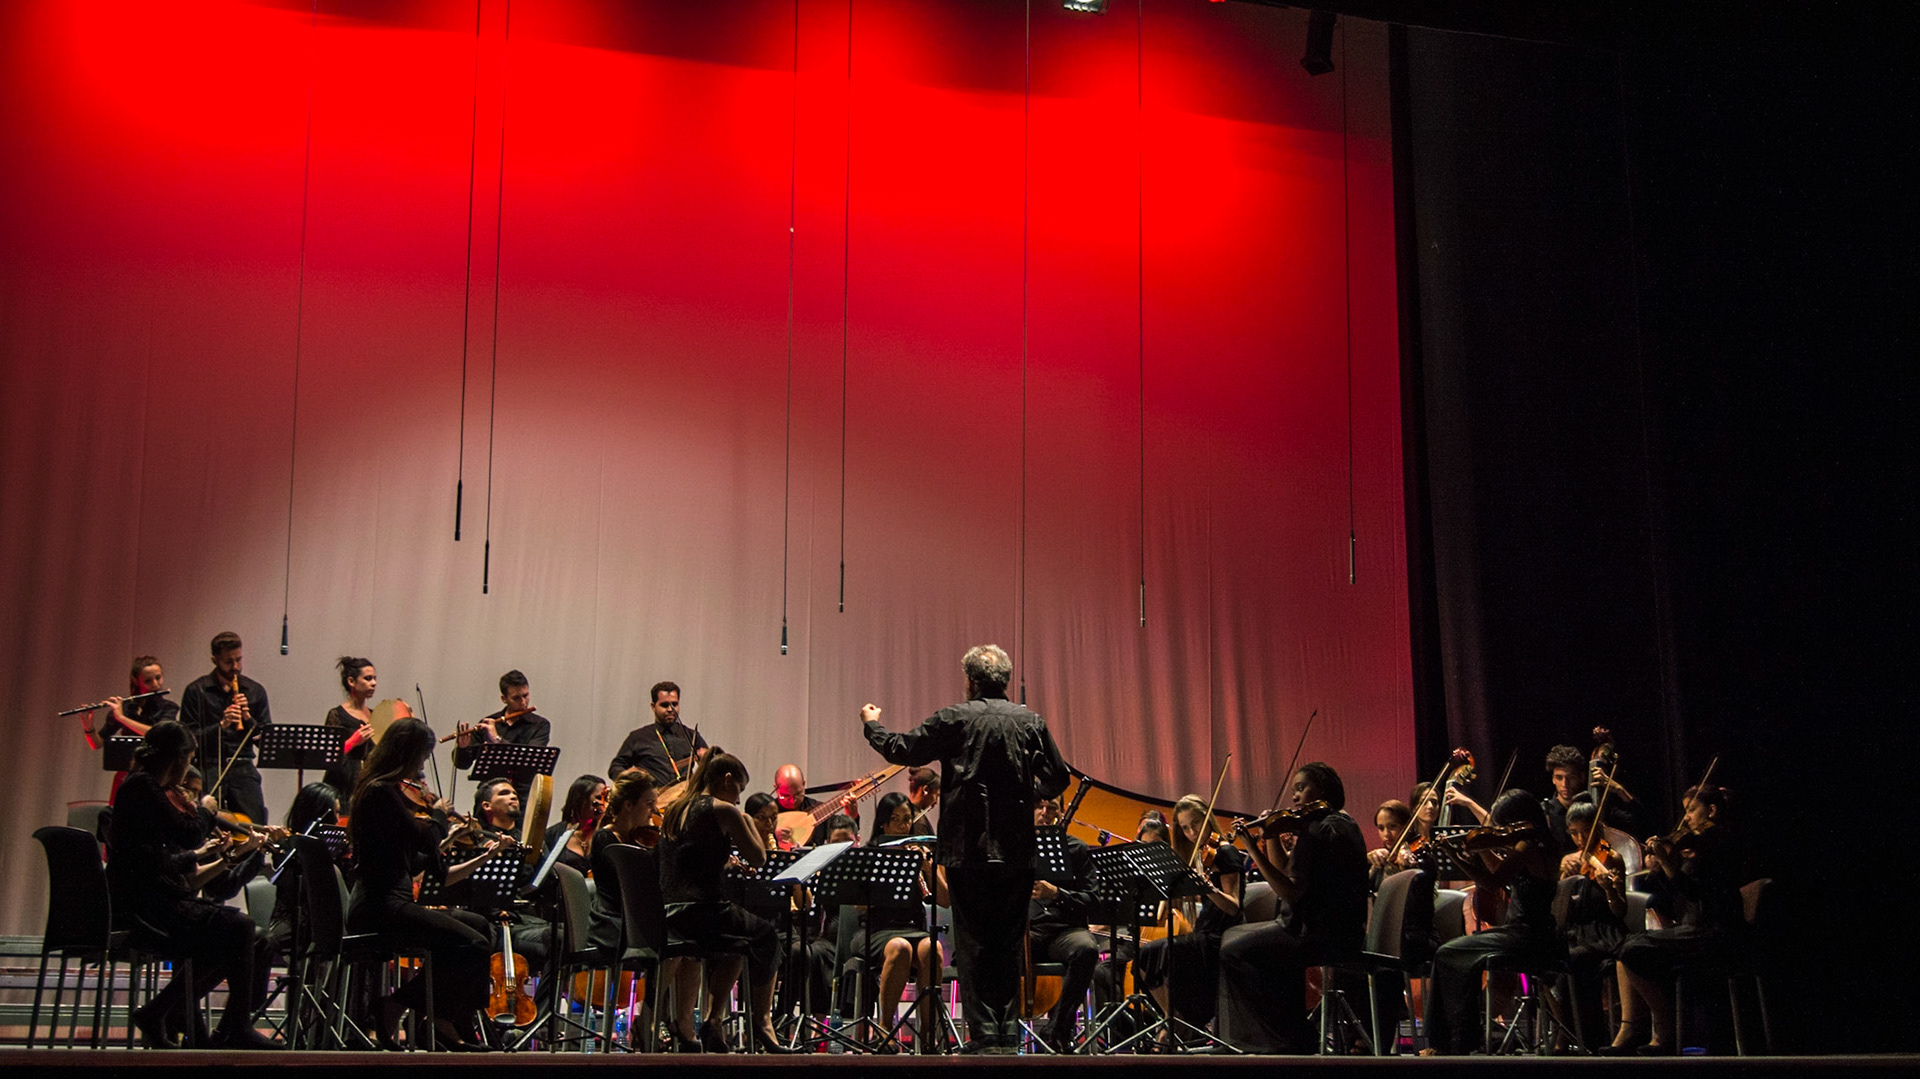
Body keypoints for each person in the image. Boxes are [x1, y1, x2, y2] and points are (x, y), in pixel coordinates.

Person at [860, 643, 1070, 1053]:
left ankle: (983, 1034)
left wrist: (872, 725)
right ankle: (1007, 1033)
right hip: (1015, 852)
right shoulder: (1030, 722)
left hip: (966, 850)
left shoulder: (954, 718)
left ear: (971, 681)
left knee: (973, 942)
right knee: (1008, 943)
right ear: (1005, 681)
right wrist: (1030, 796)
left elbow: (903, 750)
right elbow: (1058, 779)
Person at [107, 720, 278, 1049]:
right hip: (144, 904)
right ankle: (233, 1027)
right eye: (187, 760)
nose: (187, 772)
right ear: (177, 759)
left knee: (236, 938)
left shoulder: (141, 787)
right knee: (239, 926)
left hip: (152, 896)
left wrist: (208, 853)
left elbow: (159, 859)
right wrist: (206, 810)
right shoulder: (143, 787)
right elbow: (188, 832)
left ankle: (163, 1012)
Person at [347, 716, 505, 1050]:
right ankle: (406, 1007)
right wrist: (437, 815)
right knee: (472, 944)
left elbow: (422, 862)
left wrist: (450, 841)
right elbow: (421, 838)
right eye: (420, 757)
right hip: (381, 906)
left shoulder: (386, 793)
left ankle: (446, 1017)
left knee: (478, 926)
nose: (421, 767)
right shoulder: (379, 793)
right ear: (405, 753)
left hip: (394, 901)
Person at [1218, 762, 1370, 1054]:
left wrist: (1251, 847)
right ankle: (1292, 1036)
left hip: (1317, 935)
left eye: (1301, 788)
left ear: (1323, 789)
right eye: (1294, 791)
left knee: (1233, 951)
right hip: (1338, 931)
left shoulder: (1319, 832)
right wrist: (1271, 835)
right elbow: (1286, 869)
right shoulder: (1341, 824)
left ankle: (1271, 1038)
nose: (1296, 796)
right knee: (1242, 940)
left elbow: (1288, 891)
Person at [657, 749, 787, 1053]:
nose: (740, 799)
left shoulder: (676, 808)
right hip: (700, 912)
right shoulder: (724, 810)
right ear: (727, 780)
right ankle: (763, 1023)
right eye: (739, 790)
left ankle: (714, 1021)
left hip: (669, 913)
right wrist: (746, 821)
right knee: (766, 937)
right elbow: (758, 858)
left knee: (735, 944)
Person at [1419, 790, 1561, 1056]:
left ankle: (1451, 1042)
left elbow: (1494, 881)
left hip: (1530, 936)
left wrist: (1475, 850)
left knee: (1449, 953)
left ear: (1520, 819)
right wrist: (1460, 851)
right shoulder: (1536, 843)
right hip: (1525, 933)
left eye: (1503, 825)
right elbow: (1498, 870)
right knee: (1459, 954)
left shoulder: (1530, 845)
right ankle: (1457, 1040)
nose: (1501, 831)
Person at [1616, 784, 1749, 1055]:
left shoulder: (1720, 842)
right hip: (1695, 928)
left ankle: (1666, 1029)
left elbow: (1695, 893)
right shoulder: (1696, 846)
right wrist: (1660, 868)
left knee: (1633, 949)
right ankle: (1647, 1028)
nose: (1685, 818)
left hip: (1715, 930)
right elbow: (1675, 896)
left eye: (1692, 810)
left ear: (1711, 811)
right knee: (1629, 948)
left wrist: (1668, 864)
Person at [1134, 793, 1245, 1038]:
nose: (1192, 832)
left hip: (1221, 935)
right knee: (1143, 956)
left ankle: (1178, 1023)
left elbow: (1233, 906)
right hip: (1205, 932)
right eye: (1184, 828)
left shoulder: (1225, 853)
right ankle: (1173, 1018)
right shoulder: (1201, 856)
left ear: (1207, 818)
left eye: (1195, 823)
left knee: (1155, 953)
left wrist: (1209, 888)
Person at [852, 791, 943, 1047]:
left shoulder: (920, 853)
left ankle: (927, 1035)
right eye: (896, 820)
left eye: (907, 819)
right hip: (877, 930)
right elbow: (858, 905)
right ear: (883, 823)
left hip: (913, 927)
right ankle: (885, 1028)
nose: (904, 826)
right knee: (900, 947)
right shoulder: (872, 853)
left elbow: (945, 900)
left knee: (932, 948)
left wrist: (926, 868)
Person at [1026, 794, 1101, 1051]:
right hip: (1030, 930)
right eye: (1039, 805)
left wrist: (1057, 894)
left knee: (1087, 949)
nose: (1045, 812)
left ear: (1062, 811)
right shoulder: (1016, 848)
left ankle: (1058, 1030)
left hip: (1066, 930)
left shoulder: (1077, 849)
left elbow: (1093, 899)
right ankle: (1002, 1033)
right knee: (997, 947)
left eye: (1052, 807)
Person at [178, 631, 272, 825]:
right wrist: (221, 725)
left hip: (243, 767)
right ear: (215, 660)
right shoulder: (197, 690)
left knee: (253, 825)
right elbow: (188, 739)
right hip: (209, 767)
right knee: (208, 824)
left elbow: (265, 741)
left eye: (238, 660)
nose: (235, 667)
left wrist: (247, 718)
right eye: (228, 662)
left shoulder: (255, 691)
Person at [455, 670, 552, 803]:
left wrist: (497, 740)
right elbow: (462, 764)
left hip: (522, 796)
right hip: (489, 795)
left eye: (526, 695)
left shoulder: (540, 725)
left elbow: (529, 760)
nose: (523, 702)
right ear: (504, 699)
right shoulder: (488, 723)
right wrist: (463, 748)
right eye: (516, 698)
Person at [608, 681, 707, 788]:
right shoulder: (638, 737)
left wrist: (706, 760)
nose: (670, 709)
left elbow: (716, 767)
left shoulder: (692, 736)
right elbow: (616, 767)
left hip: (684, 800)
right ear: (653, 706)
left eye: (674, 704)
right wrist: (631, 779)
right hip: (651, 800)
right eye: (664, 705)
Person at [322, 657, 379, 795]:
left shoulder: (375, 715)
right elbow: (328, 756)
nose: (374, 683)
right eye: (368, 678)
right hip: (342, 783)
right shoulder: (337, 714)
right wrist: (354, 740)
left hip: (367, 784)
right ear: (351, 681)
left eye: (374, 678)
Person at [546, 774, 609, 877]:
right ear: (581, 799)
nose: (604, 803)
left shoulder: (605, 833)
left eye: (605, 798)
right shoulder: (552, 835)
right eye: (599, 798)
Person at [1542, 744, 1588, 853]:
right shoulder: (1545, 813)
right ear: (1553, 779)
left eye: (1571, 777)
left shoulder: (1591, 808)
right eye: (1559, 778)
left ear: (1581, 777)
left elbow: (1631, 821)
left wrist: (1620, 790)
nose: (1565, 784)